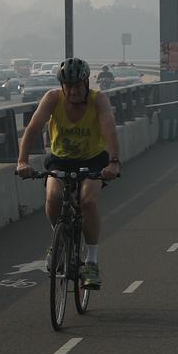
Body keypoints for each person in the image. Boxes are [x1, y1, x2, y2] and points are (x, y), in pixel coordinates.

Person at [16, 57, 122, 289]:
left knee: (88, 203)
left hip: (93, 160)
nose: (73, 91)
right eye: (68, 86)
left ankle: (91, 263)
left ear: (86, 84)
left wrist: (113, 163)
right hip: (61, 161)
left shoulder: (98, 100)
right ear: (62, 86)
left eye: (77, 86)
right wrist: (22, 160)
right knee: (53, 197)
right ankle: (59, 241)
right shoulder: (52, 99)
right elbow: (33, 128)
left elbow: (109, 129)